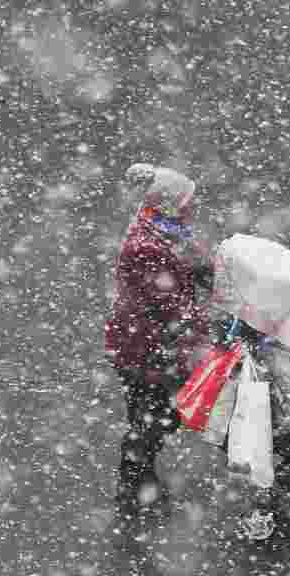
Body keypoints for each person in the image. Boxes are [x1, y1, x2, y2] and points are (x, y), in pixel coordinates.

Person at [104, 163, 215, 518]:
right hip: (144, 351)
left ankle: (140, 479)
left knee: (156, 416)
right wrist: (210, 326)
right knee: (153, 418)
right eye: (186, 203)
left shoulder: (165, 229)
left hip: (150, 346)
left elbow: (196, 263)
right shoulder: (145, 248)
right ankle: (133, 487)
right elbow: (172, 308)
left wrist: (209, 272)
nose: (191, 209)